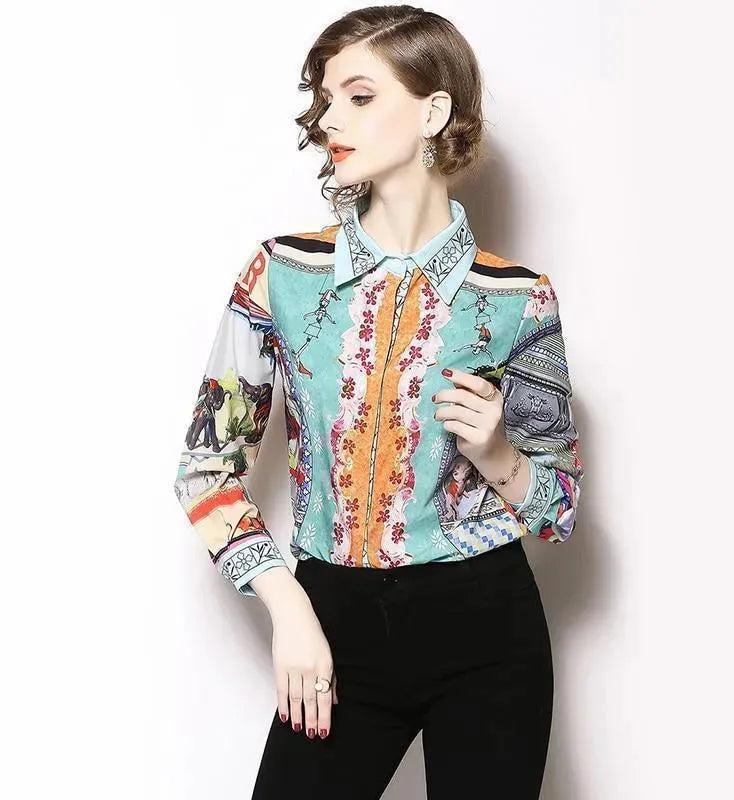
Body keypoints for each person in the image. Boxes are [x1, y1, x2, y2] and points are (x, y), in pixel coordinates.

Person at [172, 5, 584, 798]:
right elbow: (204, 469)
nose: (330, 119)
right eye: (325, 99)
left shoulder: (518, 298)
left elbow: (559, 510)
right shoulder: (281, 273)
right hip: (331, 616)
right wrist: (288, 606)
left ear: (433, 111)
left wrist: (498, 455)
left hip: (488, 629)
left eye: (359, 97)